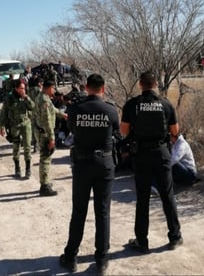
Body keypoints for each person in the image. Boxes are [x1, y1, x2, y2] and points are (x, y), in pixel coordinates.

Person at [59, 74, 119, 275]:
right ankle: (102, 259)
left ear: (86, 87)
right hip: (104, 164)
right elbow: (117, 133)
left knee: (79, 211)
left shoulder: (75, 109)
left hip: (83, 164)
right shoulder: (111, 110)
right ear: (103, 88)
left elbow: (71, 128)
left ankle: (71, 256)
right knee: (102, 211)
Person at [120, 71, 183, 253]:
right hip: (161, 153)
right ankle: (175, 237)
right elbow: (175, 131)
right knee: (167, 195)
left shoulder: (132, 105)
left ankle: (142, 240)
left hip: (141, 155)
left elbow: (124, 131)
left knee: (142, 198)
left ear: (140, 84)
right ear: (156, 84)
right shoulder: (166, 104)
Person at [32, 80, 67, 196]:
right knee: (45, 158)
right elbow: (47, 121)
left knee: (45, 157)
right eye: (53, 88)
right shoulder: (44, 101)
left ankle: (45, 182)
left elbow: (53, 110)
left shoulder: (42, 97)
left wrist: (63, 115)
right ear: (48, 88)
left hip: (40, 131)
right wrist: (52, 138)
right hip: (45, 133)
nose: (54, 91)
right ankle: (44, 186)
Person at [0, 79, 34, 179]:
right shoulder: (9, 98)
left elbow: (32, 107)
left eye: (24, 88)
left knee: (27, 146)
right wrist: (2, 126)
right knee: (16, 147)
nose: (23, 90)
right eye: (21, 88)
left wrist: (26, 98)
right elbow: (3, 113)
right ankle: (17, 168)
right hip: (14, 125)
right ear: (16, 88)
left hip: (26, 124)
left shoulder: (25, 97)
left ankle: (28, 169)